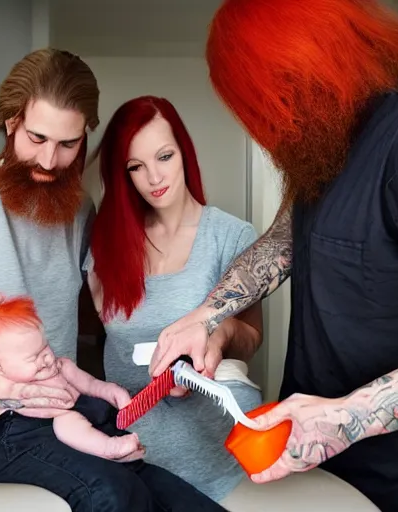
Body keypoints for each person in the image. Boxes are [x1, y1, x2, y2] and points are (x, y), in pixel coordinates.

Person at [0, 48, 228, 512]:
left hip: (59, 410)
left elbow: (112, 315)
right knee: (113, 495)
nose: (49, 160)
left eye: (68, 144)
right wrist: (0, 388)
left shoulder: (80, 211)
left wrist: (197, 345)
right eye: (37, 137)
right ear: (10, 122)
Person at [147, 1, 398, 510]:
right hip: (314, 456)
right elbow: (285, 240)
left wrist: (341, 419)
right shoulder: (329, 132)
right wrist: (205, 316)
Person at [84, 95, 264, 502]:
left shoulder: (232, 236)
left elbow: (251, 338)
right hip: (131, 460)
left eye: (164, 156)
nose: (153, 177)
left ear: (184, 151)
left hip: (219, 458)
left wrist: (217, 334)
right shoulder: (103, 247)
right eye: (136, 166)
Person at [0, 292, 144, 462]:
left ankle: (120, 448)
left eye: (45, 347)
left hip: (88, 409)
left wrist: (110, 390)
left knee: (104, 412)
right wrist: (0, 402)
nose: (47, 358)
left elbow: (90, 384)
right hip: (57, 422)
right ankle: (108, 448)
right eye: (34, 356)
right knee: (66, 421)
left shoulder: (60, 366)